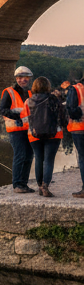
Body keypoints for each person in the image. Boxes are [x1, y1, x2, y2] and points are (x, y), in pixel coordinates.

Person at [26, 76, 67, 197]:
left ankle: (39, 186)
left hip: (34, 134)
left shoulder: (29, 101)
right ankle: (45, 186)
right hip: (54, 134)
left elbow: (26, 117)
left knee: (39, 158)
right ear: (48, 86)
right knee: (48, 160)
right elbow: (63, 116)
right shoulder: (54, 99)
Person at [0, 66, 34, 193]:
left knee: (29, 156)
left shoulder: (31, 93)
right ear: (16, 79)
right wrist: (18, 116)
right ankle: (17, 185)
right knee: (20, 155)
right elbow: (3, 110)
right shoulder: (9, 92)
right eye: (19, 78)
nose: (22, 80)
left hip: (29, 129)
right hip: (15, 129)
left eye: (25, 77)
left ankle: (24, 184)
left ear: (29, 78)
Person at [64, 69, 84, 198]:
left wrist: (78, 115)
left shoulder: (75, 89)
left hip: (79, 128)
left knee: (82, 158)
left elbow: (71, 109)